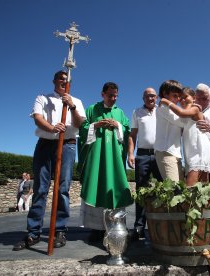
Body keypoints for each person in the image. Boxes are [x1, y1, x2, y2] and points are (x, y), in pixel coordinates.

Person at [13, 70, 86, 251]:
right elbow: (38, 119)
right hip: (45, 144)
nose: (63, 81)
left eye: (66, 79)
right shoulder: (42, 98)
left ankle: (60, 230)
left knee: (63, 188)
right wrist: (52, 128)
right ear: (54, 81)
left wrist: (72, 107)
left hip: (67, 145)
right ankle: (33, 233)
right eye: (60, 78)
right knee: (40, 188)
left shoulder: (76, 101)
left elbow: (79, 124)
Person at [77, 82, 133, 242]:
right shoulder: (92, 109)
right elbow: (83, 128)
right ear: (102, 94)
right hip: (97, 157)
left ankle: (116, 225)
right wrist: (97, 125)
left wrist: (118, 125)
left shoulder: (120, 113)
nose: (113, 98)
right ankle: (95, 229)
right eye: (110, 95)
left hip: (114, 157)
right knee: (97, 184)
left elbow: (128, 133)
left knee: (114, 186)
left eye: (116, 95)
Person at [160, 87, 210, 186]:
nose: (182, 100)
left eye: (185, 97)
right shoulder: (186, 114)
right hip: (191, 152)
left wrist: (166, 102)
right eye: (180, 98)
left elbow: (181, 113)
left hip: (200, 151)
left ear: (194, 97)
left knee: (190, 189)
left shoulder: (196, 108)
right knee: (202, 189)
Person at [127, 87, 163, 241]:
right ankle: (139, 227)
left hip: (160, 154)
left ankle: (163, 225)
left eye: (153, 96)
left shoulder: (162, 111)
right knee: (141, 192)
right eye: (148, 96)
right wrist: (130, 153)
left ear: (157, 98)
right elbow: (132, 135)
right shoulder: (137, 112)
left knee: (165, 189)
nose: (151, 98)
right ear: (143, 98)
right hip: (142, 155)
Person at [154, 80, 185, 183]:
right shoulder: (163, 107)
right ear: (165, 94)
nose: (178, 99)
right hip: (166, 151)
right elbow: (182, 122)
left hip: (174, 152)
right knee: (173, 190)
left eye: (179, 96)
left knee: (179, 189)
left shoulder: (172, 108)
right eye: (175, 95)